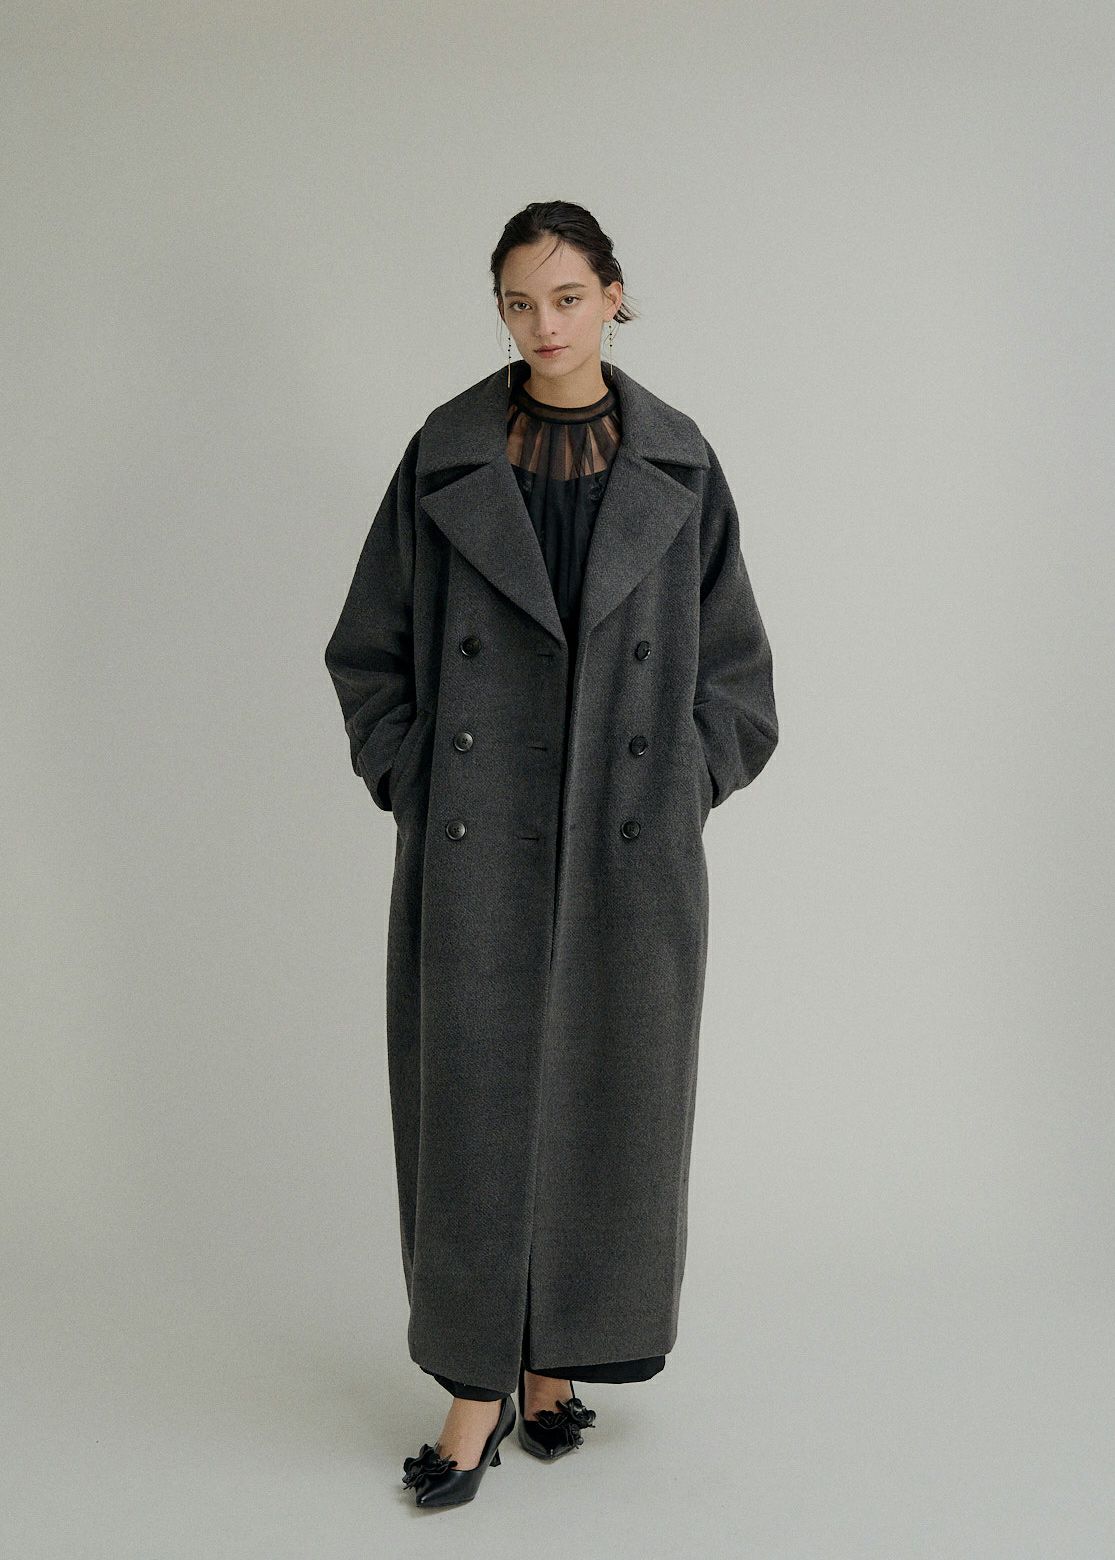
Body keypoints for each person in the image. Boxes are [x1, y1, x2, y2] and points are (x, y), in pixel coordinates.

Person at [324, 200, 779, 1508]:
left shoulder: (680, 464)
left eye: (568, 297)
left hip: (628, 852)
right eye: (519, 303)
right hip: (476, 848)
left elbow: (738, 679)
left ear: (615, 295)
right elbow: (367, 651)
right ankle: (474, 1387)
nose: (544, 324)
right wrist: (416, 777)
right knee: (471, 1117)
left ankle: (551, 1364)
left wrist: (682, 783)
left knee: (607, 1111)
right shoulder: (447, 455)